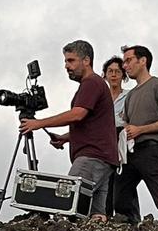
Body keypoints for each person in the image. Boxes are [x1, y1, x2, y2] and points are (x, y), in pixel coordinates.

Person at [18, 40, 118, 221]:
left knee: (67, 203)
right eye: (65, 61)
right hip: (104, 159)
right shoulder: (94, 84)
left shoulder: (92, 83)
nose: (66, 66)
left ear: (86, 60)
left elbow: (78, 114)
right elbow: (94, 125)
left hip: (92, 157)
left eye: (71, 61)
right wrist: (65, 138)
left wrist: (38, 123)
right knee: (95, 215)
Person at [113, 45, 158, 221]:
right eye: (124, 62)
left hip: (152, 150)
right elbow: (126, 124)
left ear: (143, 61)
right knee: (119, 200)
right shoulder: (131, 95)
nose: (125, 66)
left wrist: (140, 129)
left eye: (128, 60)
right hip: (130, 154)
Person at [102, 55, 129, 217]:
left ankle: (127, 217)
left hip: (122, 139)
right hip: (103, 141)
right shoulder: (100, 98)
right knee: (105, 180)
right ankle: (105, 215)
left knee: (123, 182)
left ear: (123, 76)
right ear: (104, 74)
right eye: (110, 71)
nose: (113, 75)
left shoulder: (129, 96)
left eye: (117, 72)